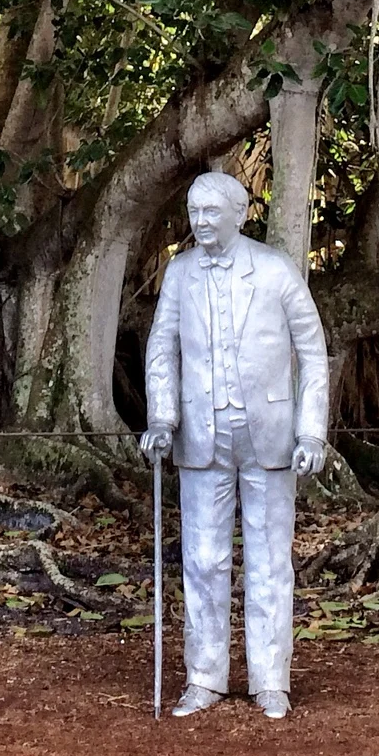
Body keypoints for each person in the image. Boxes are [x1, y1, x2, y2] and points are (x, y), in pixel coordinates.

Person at [140, 169, 329, 718]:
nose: (200, 222)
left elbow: (313, 354)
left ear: (239, 214)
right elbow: (161, 350)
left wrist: (311, 431)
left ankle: (271, 678)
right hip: (201, 436)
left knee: (270, 561)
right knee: (202, 559)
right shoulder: (179, 274)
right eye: (194, 213)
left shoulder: (273, 270)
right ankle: (205, 676)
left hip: (268, 436)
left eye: (211, 213)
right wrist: (162, 419)